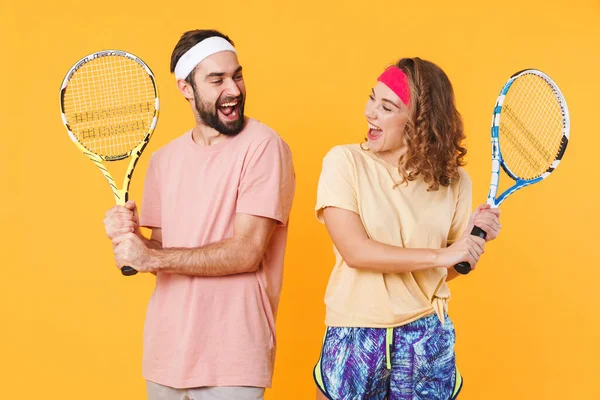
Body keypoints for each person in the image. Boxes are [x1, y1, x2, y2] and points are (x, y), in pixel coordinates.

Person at [103, 29, 295, 400]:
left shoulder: (264, 147)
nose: (234, 89)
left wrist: (150, 255)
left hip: (233, 357)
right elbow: (158, 253)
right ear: (186, 88)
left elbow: (247, 251)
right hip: (166, 354)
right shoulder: (163, 161)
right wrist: (130, 241)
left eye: (237, 75)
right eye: (217, 79)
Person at [312, 57, 501, 400]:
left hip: (426, 339)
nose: (371, 112)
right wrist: (444, 253)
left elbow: (446, 271)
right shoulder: (344, 163)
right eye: (373, 99)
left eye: (387, 107)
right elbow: (355, 252)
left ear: (419, 122)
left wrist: (471, 246)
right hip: (356, 331)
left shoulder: (454, 181)